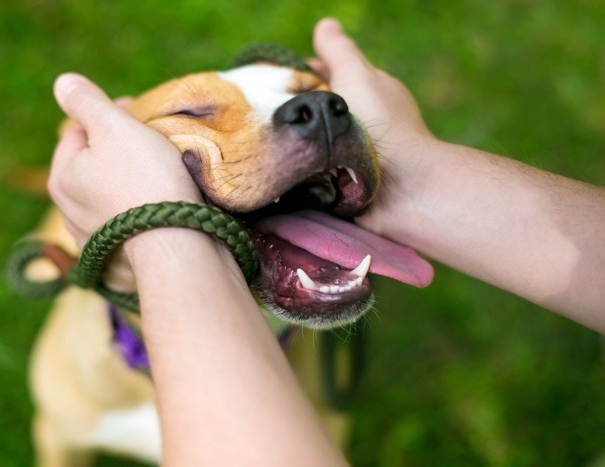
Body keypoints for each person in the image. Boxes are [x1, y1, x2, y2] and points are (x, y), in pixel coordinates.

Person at [48, 18, 605, 465]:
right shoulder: (71, 375)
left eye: (321, 101)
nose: (316, 113)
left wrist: (159, 236)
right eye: (195, 112)